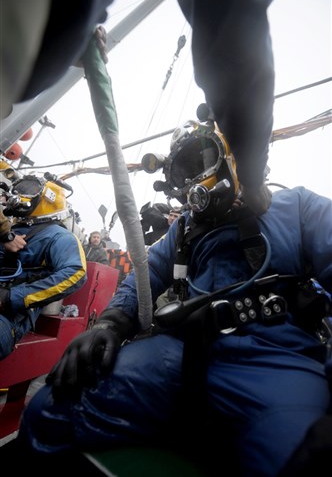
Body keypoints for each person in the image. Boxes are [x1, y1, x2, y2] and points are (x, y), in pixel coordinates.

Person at [5, 116, 332, 476]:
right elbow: (142, 279)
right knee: (50, 409)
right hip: (179, 355)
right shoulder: (184, 229)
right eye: (182, 174)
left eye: (199, 162)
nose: (192, 182)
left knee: (299, 457)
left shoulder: (298, 207)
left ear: (231, 155)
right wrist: (111, 324)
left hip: (276, 359)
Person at [1, 0, 278, 216]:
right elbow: (233, 33)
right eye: (190, 168)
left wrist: (66, 35)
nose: (197, 179)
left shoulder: (297, 209)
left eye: (200, 163)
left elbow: (232, 27)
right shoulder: (178, 237)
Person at [0, 174, 87, 360]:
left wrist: (12, 297)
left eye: (26, 189)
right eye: (16, 190)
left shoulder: (60, 237)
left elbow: (75, 273)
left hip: (9, 315)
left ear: (48, 198)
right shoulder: (8, 230)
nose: (18, 194)